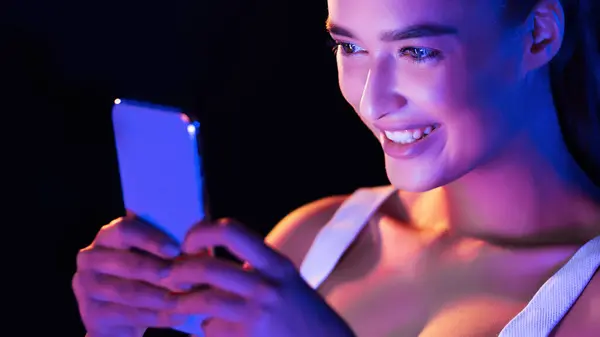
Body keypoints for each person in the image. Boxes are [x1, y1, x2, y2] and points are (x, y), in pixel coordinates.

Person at [72, 0, 600, 335]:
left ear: (539, 35)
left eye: (417, 51)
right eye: (349, 47)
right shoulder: (310, 240)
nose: (372, 100)